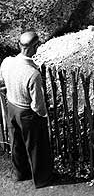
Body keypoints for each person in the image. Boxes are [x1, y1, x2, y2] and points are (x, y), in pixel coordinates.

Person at [0, 30, 53, 188]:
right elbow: (37, 104)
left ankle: (21, 173)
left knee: (16, 142)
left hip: (11, 106)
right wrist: (44, 116)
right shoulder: (32, 73)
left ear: (19, 45)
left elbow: (1, 81)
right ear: (35, 47)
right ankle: (42, 179)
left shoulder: (7, 62)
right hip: (26, 113)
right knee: (36, 146)